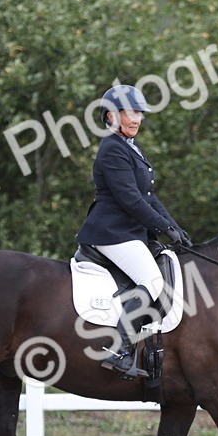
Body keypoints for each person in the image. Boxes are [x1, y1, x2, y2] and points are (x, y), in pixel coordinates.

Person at [76, 84, 192, 380]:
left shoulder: (130, 146)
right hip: (112, 233)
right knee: (152, 283)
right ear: (111, 116)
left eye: (139, 113)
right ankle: (118, 350)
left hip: (129, 232)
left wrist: (174, 227)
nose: (136, 119)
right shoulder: (112, 149)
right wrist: (163, 228)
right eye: (130, 113)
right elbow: (131, 200)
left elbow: (149, 197)